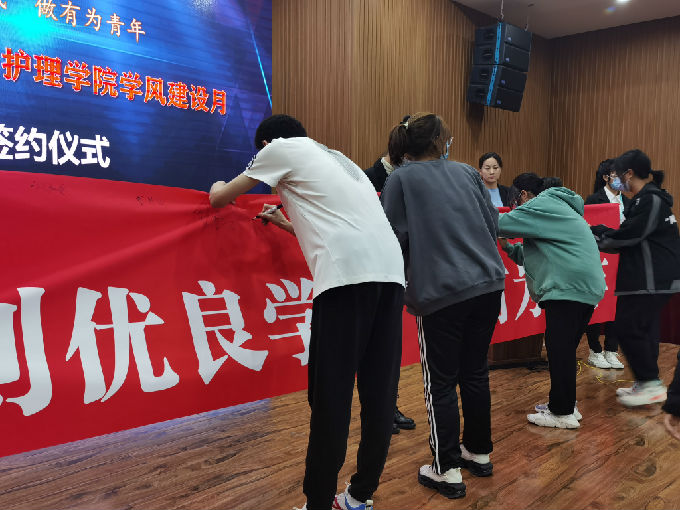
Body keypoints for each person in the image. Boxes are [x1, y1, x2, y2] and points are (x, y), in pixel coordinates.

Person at [209, 114, 406, 510]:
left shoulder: (279, 150)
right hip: (390, 276)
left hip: (346, 281)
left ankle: (318, 503)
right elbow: (335, 224)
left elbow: (221, 197)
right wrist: (286, 224)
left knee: (330, 396)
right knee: (379, 394)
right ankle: (359, 497)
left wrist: (215, 186)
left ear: (267, 144)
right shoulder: (339, 158)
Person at [381, 113, 506, 499]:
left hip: (441, 292)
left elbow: (392, 237)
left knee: (441, 382)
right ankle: (478, 452)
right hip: (488, 285)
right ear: (440, 141)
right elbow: (493, 225)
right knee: (475, 372)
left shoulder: (400, 178)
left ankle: (446, 468)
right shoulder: (467, 172)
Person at [498, 173, 606, 429]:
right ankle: (567, 405)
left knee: (559, 351)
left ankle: (561, 412)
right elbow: (534, 253)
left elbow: (499, 223)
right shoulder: (560, 206)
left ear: (523, 195)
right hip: (584, 288)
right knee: (564, 351)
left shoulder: (541, 204)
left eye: (516, 201)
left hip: (568, 288)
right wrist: (508, 247)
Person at [591, 149, 680, 407]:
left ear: (628, 173)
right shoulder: (645, 200)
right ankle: (646, 382)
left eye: (618, 174)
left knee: (628, 327)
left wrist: (594, 234)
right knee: (639, 328)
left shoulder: (650, 200)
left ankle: (650, 383)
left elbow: (629, 236)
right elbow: (628, 234)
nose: (616, 180)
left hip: (652, 278)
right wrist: (600, 232)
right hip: (645, 278)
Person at [364, 146, 416, 436]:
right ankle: (377, 412)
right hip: (373, 271)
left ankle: (388, 408)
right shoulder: (368, 178)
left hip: (398, 273)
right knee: (374, 348)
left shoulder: (412, 179)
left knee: (390, 348)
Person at [583, 159, 631, 369]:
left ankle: (611, 349)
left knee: (618, 306)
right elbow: (588, 229)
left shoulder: (628, 202)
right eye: (616, 175)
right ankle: (595, 350)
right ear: (606, 177)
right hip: (600, 259)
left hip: (622, 260)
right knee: (597, 304)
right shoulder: (594, 200)